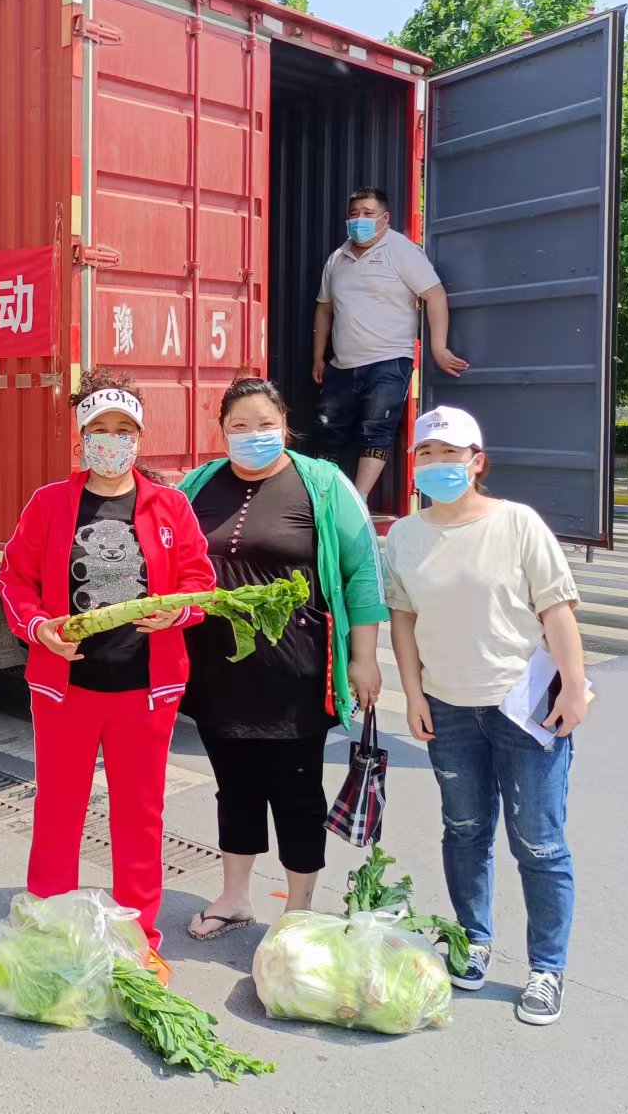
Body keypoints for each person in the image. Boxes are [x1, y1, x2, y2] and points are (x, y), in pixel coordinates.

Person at [0, 369, 216, 978]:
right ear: (82, 435)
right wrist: (40, 628)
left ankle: (139, 933)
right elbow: (14, 578)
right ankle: (48, 922)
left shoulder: (169, 505)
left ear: (139, 438)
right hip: (67, 686)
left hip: (146, 688)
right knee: (59, 806)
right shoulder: (50, 503)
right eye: (99, 429)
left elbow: (201, 581)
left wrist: (180, 609)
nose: (111, 440)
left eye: (123, 430)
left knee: (139, 812)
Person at [382, 405, 589, 1027]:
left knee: (539, 843)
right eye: (427, 455)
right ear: (414, 464)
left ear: (477, 460)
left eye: (453, 454)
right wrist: (413, 695)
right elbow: (404, 619)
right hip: (448, 706)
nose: (440, 466)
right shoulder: (404, 535)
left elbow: (557, 611)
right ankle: (473, 941)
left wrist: (575, 687)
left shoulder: (518, 524)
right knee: (465, 832)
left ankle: (546, 969)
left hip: (522, 708)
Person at [177, 378, 388, 939]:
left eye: (264, 424)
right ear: (220, 430)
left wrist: (363, 657)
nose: (252, 436)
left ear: (285, 424)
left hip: (297, 672)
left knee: (297, 791)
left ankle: (297, 912)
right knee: (234, 786)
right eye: (239, 426)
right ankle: (235, 896)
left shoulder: (321, 484)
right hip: (218, 671)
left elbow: (361, 569)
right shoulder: (198, 484)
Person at [313, 186, 468, 497]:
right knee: (329, 433)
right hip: (342, 364)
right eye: (354, 214)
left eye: (368, 214)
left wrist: (438, 347)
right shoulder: (337, 259)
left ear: (385, 218)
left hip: (388, 361)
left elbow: (434, 295)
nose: (360, 220)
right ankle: (324, 497)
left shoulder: (402, 251)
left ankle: (358, 501)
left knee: (376, 432)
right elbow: (324, 308)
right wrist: (318, 356)